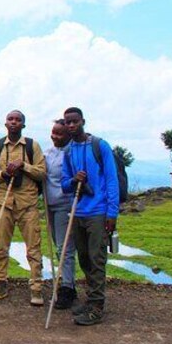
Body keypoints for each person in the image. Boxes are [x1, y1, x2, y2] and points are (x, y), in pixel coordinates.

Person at [61, 107, 119, 326]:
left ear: (83, 121)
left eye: (74, 121)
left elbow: (111, 180)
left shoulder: (99, 146)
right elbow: (64, 185)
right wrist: (75, 180)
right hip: (78, 211)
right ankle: (91, 299)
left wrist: (112, 212)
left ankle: (96, 307)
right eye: (67, 122)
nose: (71, 125)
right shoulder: (68, 151)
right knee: (84, 258)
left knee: (97, 258)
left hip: (98, 211)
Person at [0, 110, 47, 306]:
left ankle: (36, 289)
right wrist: (4, 173)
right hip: (4, 202)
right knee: (1, 246)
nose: (14, 122)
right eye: (10, 119)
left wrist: (24, 166)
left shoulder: (32, 146)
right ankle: (0, 285)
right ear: (5, 124)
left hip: (27, 204)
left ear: (23, 125)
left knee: (34, 249)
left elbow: (42, 173)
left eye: (18, 120)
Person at [44, 119, 77, 310]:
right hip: (50, 205)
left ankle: (67, 288)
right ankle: (66, 282)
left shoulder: (73, 153)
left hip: (66, 205)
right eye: (53, 132)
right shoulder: (48, 153)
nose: (55, 137)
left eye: (59, 134)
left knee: (65, 248)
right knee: (58, 246)